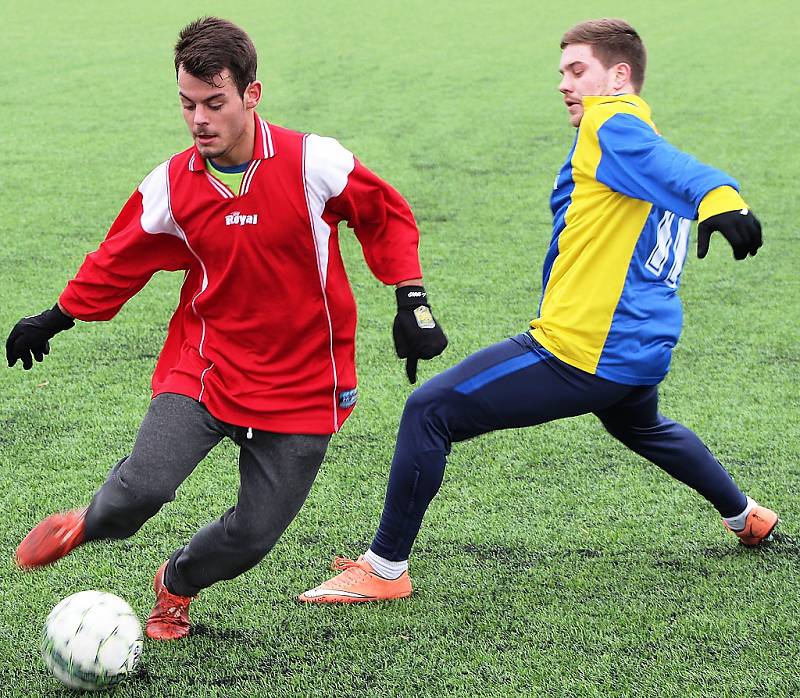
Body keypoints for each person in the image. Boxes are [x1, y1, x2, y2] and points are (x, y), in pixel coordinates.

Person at [298, 18, 777, 604]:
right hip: (639, 350)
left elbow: (690, 177)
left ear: (619, 77)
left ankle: (385, 569)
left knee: (429, 410)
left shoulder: (612, 123)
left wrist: (721, 198)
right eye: (563, 73)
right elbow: (673, 176)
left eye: (578, 71)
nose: (565, 84)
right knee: (643, 425)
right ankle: (745, 515)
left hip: (582, 350)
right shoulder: (640, 153)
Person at [8, 16, 447, 639]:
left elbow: (385, 214)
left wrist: (411, 297)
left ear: (251, 95)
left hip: (304, 384)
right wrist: (57, 317)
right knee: (142, 489)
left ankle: (177, 582)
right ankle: (89, 521)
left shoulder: (312, 162)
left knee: (251, 536)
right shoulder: (170, 186)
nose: (199, 120)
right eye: (187, 104)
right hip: (208, 364)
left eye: (215, 103)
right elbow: (119, 258)